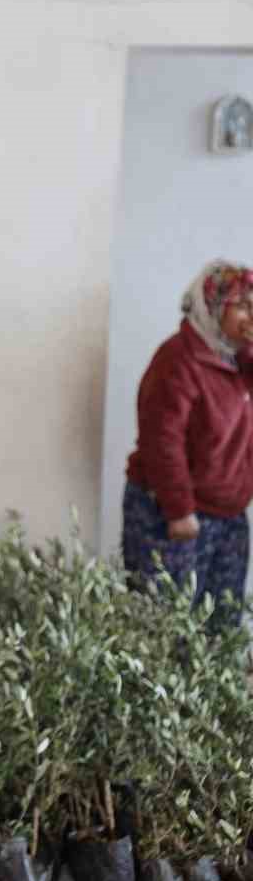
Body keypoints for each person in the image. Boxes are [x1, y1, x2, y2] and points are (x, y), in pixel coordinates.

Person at [123, 259, 253, 632]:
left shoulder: (241, 362)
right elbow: (161, 440)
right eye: (242, 304)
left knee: (220, 628)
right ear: (212, 306)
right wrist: (179, 509)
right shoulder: (178, 359)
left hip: (229, 517)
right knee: (164, 628)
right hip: (175, 514)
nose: (251, 313)